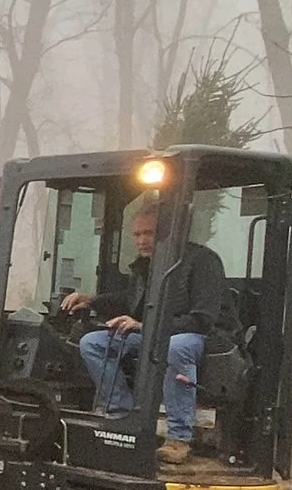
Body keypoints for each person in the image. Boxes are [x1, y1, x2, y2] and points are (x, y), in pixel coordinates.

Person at [62, 195, 230, 466]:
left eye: (149, 233)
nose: (141, 240)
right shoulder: (146, 267)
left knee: (175, 347)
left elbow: (202, 320)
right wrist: (92, 299)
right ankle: (123, 415)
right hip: (152, 334)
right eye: (137, 234)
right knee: (92, 342)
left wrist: (145, 326)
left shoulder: (203, 261)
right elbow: (132, 302)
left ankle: (178, 437)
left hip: (198, 338)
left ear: (170, 232)